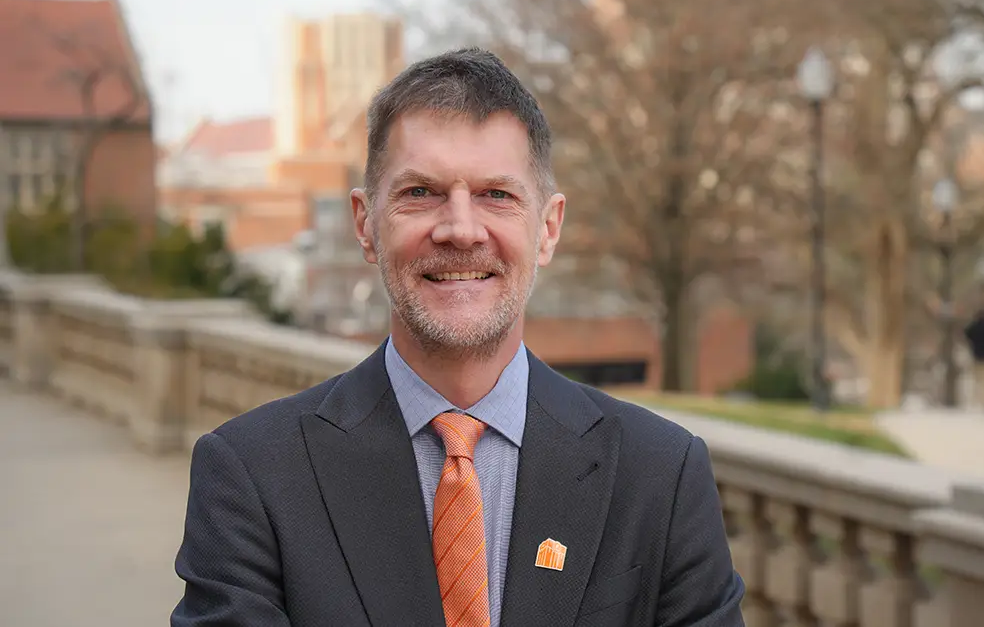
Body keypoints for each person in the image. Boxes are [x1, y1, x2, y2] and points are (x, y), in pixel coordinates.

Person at [171, 47, 745, 627]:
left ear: (547, 229)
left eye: (497, 195)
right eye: (420, 193)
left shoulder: (661, 475)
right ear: (366, 225)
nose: (461, 229)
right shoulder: (253, 475)